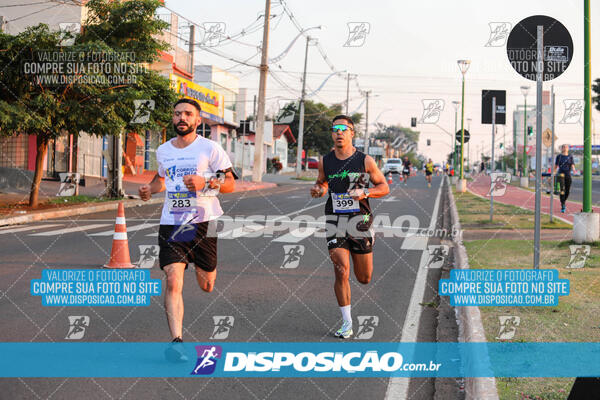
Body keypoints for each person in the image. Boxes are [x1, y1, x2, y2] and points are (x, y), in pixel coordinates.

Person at [138, 98, 235, 362]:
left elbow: (229, 185)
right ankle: (177, 342)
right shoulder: (163, 150)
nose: (182, 118)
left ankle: (202, 267)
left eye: (188, 114)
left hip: (204, 222)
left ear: (198, 120)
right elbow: (161, 179)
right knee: (172, 280)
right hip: (173, 222)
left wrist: (206, 182)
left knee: (207, 285)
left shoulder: (211, 149)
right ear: (173, 118)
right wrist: (149, 189)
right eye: (178, 113)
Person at [310, 115, 389, 339]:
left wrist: (366, 192)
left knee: (364, 277)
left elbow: (383, 186)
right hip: (335, 219)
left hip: (360, 221)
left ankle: (368, 243)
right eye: (335, 129)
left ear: (352, 133)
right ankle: (347, 322)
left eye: (344, 129)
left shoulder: (365, 161)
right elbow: (322, 182)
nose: (339, 132)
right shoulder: (326, 160)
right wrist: (318, 189)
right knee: (341, 270)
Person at [555, 144, 575, 213]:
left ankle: (563, 201)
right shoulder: (559, 156)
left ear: (568, 149)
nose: (565, 148)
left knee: (567, 190)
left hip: (568, 174)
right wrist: (553, 173)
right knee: (562, 190)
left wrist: (574, 169)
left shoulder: (570, 156)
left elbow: (572, 164)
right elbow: (556, 166)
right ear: (562, 149)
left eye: (566, 147)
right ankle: (563, 204)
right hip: (561, 174)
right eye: (564, 147)